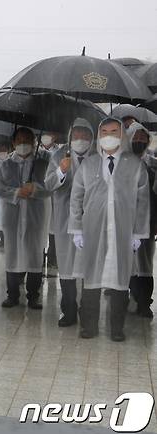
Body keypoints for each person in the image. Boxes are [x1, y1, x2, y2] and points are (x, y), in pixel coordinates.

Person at [69, 117, 149, 341]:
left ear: (122, 134)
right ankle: (88, 326)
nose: (109, 136)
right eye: (104, 132)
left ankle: (117, 328)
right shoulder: (90, 163)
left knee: (119, 280)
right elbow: (76, 198)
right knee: (91, 278)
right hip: (93, 230)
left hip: (123, 231)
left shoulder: (135, 164)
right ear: (99, 135)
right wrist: (76, 229)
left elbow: (143, 202)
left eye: (114, 131)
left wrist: (138, 233)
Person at [44, 118, 95, 327]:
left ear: (92, 138)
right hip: (65, 221)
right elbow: (48, 184)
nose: (80, 139)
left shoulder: (98, 158)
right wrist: (61, 171)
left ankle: (88, 310)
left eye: (85, 135)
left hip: (91, 222)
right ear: (70, 136)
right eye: (77, 135)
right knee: (67, 267)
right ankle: (69, 311)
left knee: (89, 267)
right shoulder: (59, 155)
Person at [0, 127, 50, 309]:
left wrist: (34, 189)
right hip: (12, 218)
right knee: (12, 255)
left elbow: (51, 187)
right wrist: (17, 192)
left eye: (27, 140)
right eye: (20, 140)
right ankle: (13, 295)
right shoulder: (7, 164)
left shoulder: (43, 163)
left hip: (35, 218)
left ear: (34, 142)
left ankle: (34, 295)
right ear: (14, 143)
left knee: (34, 256)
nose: (23, 144)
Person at [127, 122, 155, 318]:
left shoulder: (154, 163)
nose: (138, 141)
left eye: (142, 137)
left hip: (148, 220)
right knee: (128, 262)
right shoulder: (122, 162)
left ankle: (145, 303)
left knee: (144, 262)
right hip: (125, 221)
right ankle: (132, 297)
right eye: (135, 137)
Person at [38, 131, 61, 275]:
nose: (46, 137)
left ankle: (53, 263)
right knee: (40, 232)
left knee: (53, 231)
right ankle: (39, 264)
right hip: (39, 196)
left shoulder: (60, 153)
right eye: (44, 134)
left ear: (55, 137)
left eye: (49, 134)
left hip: (55, 195)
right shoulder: (36, 152)